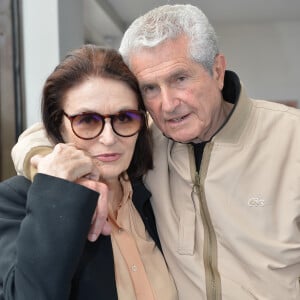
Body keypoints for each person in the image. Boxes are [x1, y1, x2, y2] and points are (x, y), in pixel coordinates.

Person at [10, 4, 300, 300]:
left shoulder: (292, 140)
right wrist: (58, 177)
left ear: (217, 71)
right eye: (149, 88)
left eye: (180, 79)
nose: (168, 104)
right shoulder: (144, 133)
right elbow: (45, 132)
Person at [0, 45, 178, 299]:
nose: (108, 138)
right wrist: (58, 195)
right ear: (58, 125)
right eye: (87, 120)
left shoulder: (152, 192)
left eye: (125, 118)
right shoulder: (13, 200)